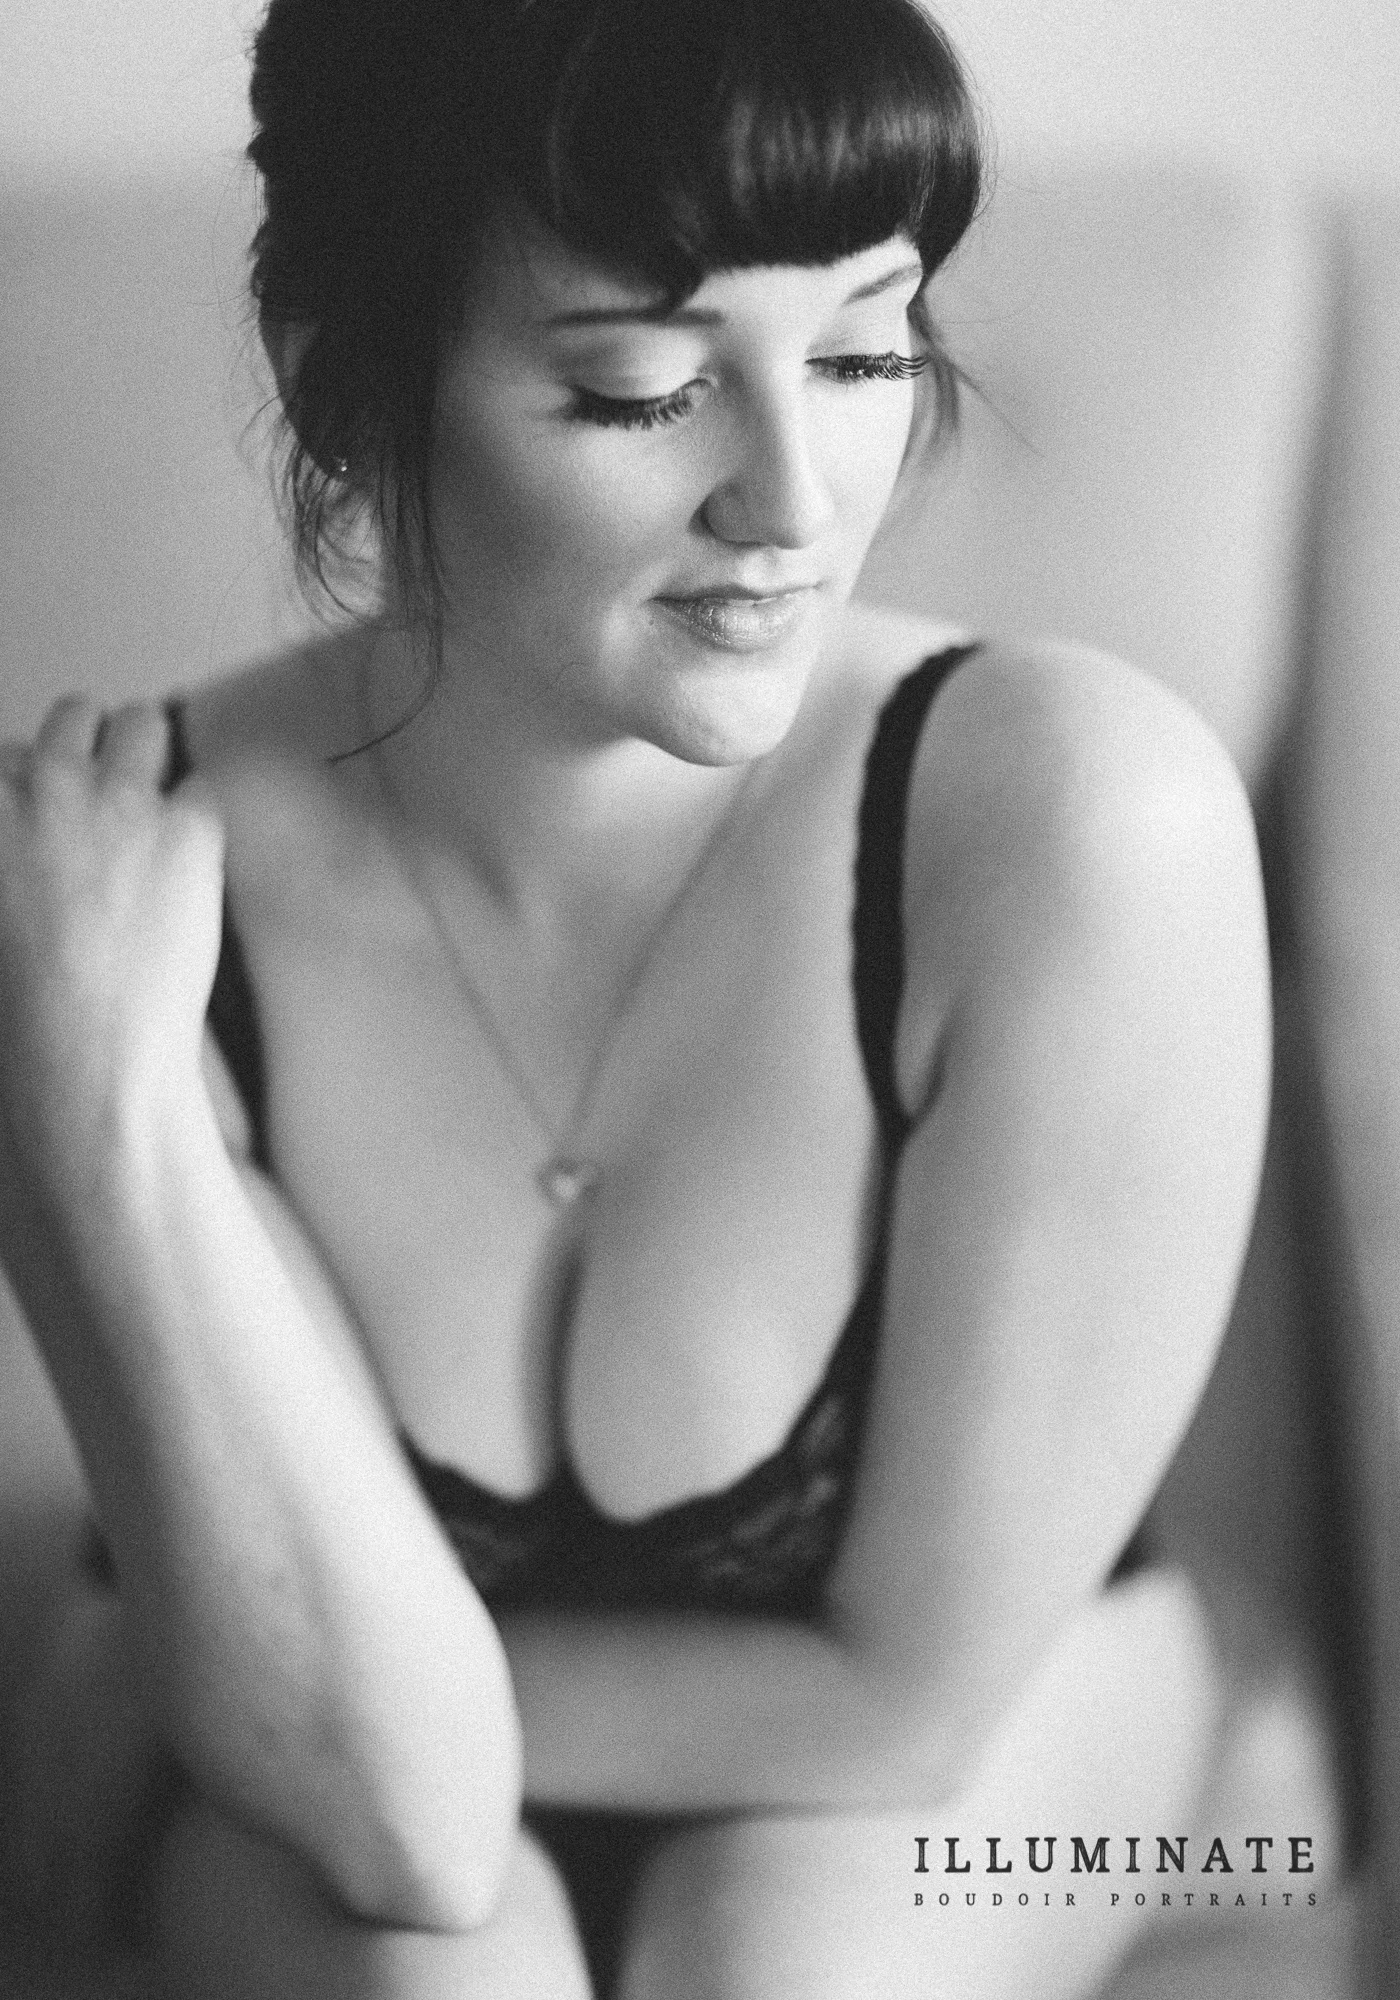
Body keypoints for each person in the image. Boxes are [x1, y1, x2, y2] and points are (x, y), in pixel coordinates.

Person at [0, 0, 1271, 1994]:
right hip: (327, 1763)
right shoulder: (101, 899)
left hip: (964, 1721)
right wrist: (98, 1113)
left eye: (862, 352)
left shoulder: (1068, 822)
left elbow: (901, 1706)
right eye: (641, 389)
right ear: (348, 396)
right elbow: (407, 1828)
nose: (796, 500)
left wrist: (235, 1676)